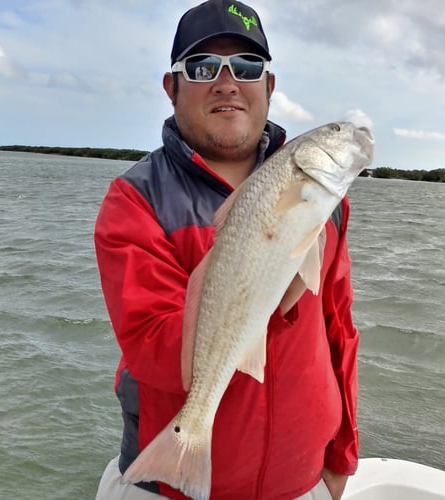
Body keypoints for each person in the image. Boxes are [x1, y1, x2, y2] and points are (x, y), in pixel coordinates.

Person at [94, 1, 359, 499]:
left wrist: (343, 455)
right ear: (171, 88)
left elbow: (339, 332)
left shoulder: (324, 202)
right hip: (168, 486)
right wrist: (251, 279)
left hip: (304, 483)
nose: (226, 81)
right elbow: (152, 348)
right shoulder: (135, 200)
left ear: (269, 86)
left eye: (246, 66)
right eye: (201, 67)